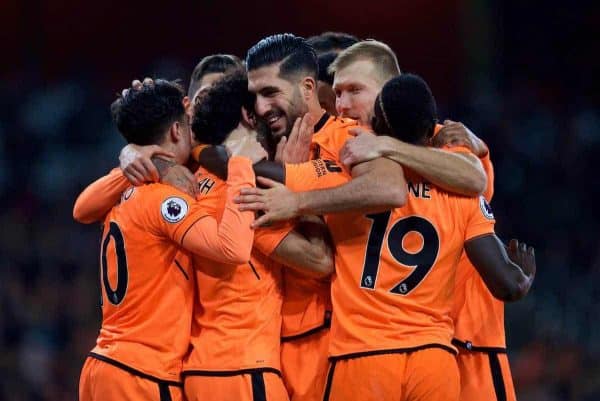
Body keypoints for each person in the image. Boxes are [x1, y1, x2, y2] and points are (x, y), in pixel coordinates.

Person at [236, 74, 535, 401]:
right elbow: (507, 284)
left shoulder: (346, 178)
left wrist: (248, 163)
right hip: (433, 359)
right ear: (430, 130)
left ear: (376, 125)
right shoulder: (463, 194)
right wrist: (526, 274)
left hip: (363, 355)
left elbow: (264, 174)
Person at [331, 40, 520, 401]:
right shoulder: (450, 149)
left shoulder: (443, 143)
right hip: (431, 349)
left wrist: (385, 147)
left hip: (451, 343)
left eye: (354, 90)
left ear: (390, 90)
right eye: (337, 93)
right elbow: (476, 178)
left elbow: (476, 179)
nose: (342, 106)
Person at [244, 33, 406, 401]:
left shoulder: (350, 137)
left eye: (270, 92)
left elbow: (388, 187)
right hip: (275, 348)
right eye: (254, 96)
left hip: (340, 339)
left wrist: (298, 194)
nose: (261, 106)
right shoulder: (259, 148)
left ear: (306, 87)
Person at [77, 79, 261, 401]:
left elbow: (81, 209)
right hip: (142, 373)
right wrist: (241, 166)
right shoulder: (165, 201)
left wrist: (139, 160)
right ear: (177, 130)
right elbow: (231, 248)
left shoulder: (124, 192)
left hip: (103, 363)